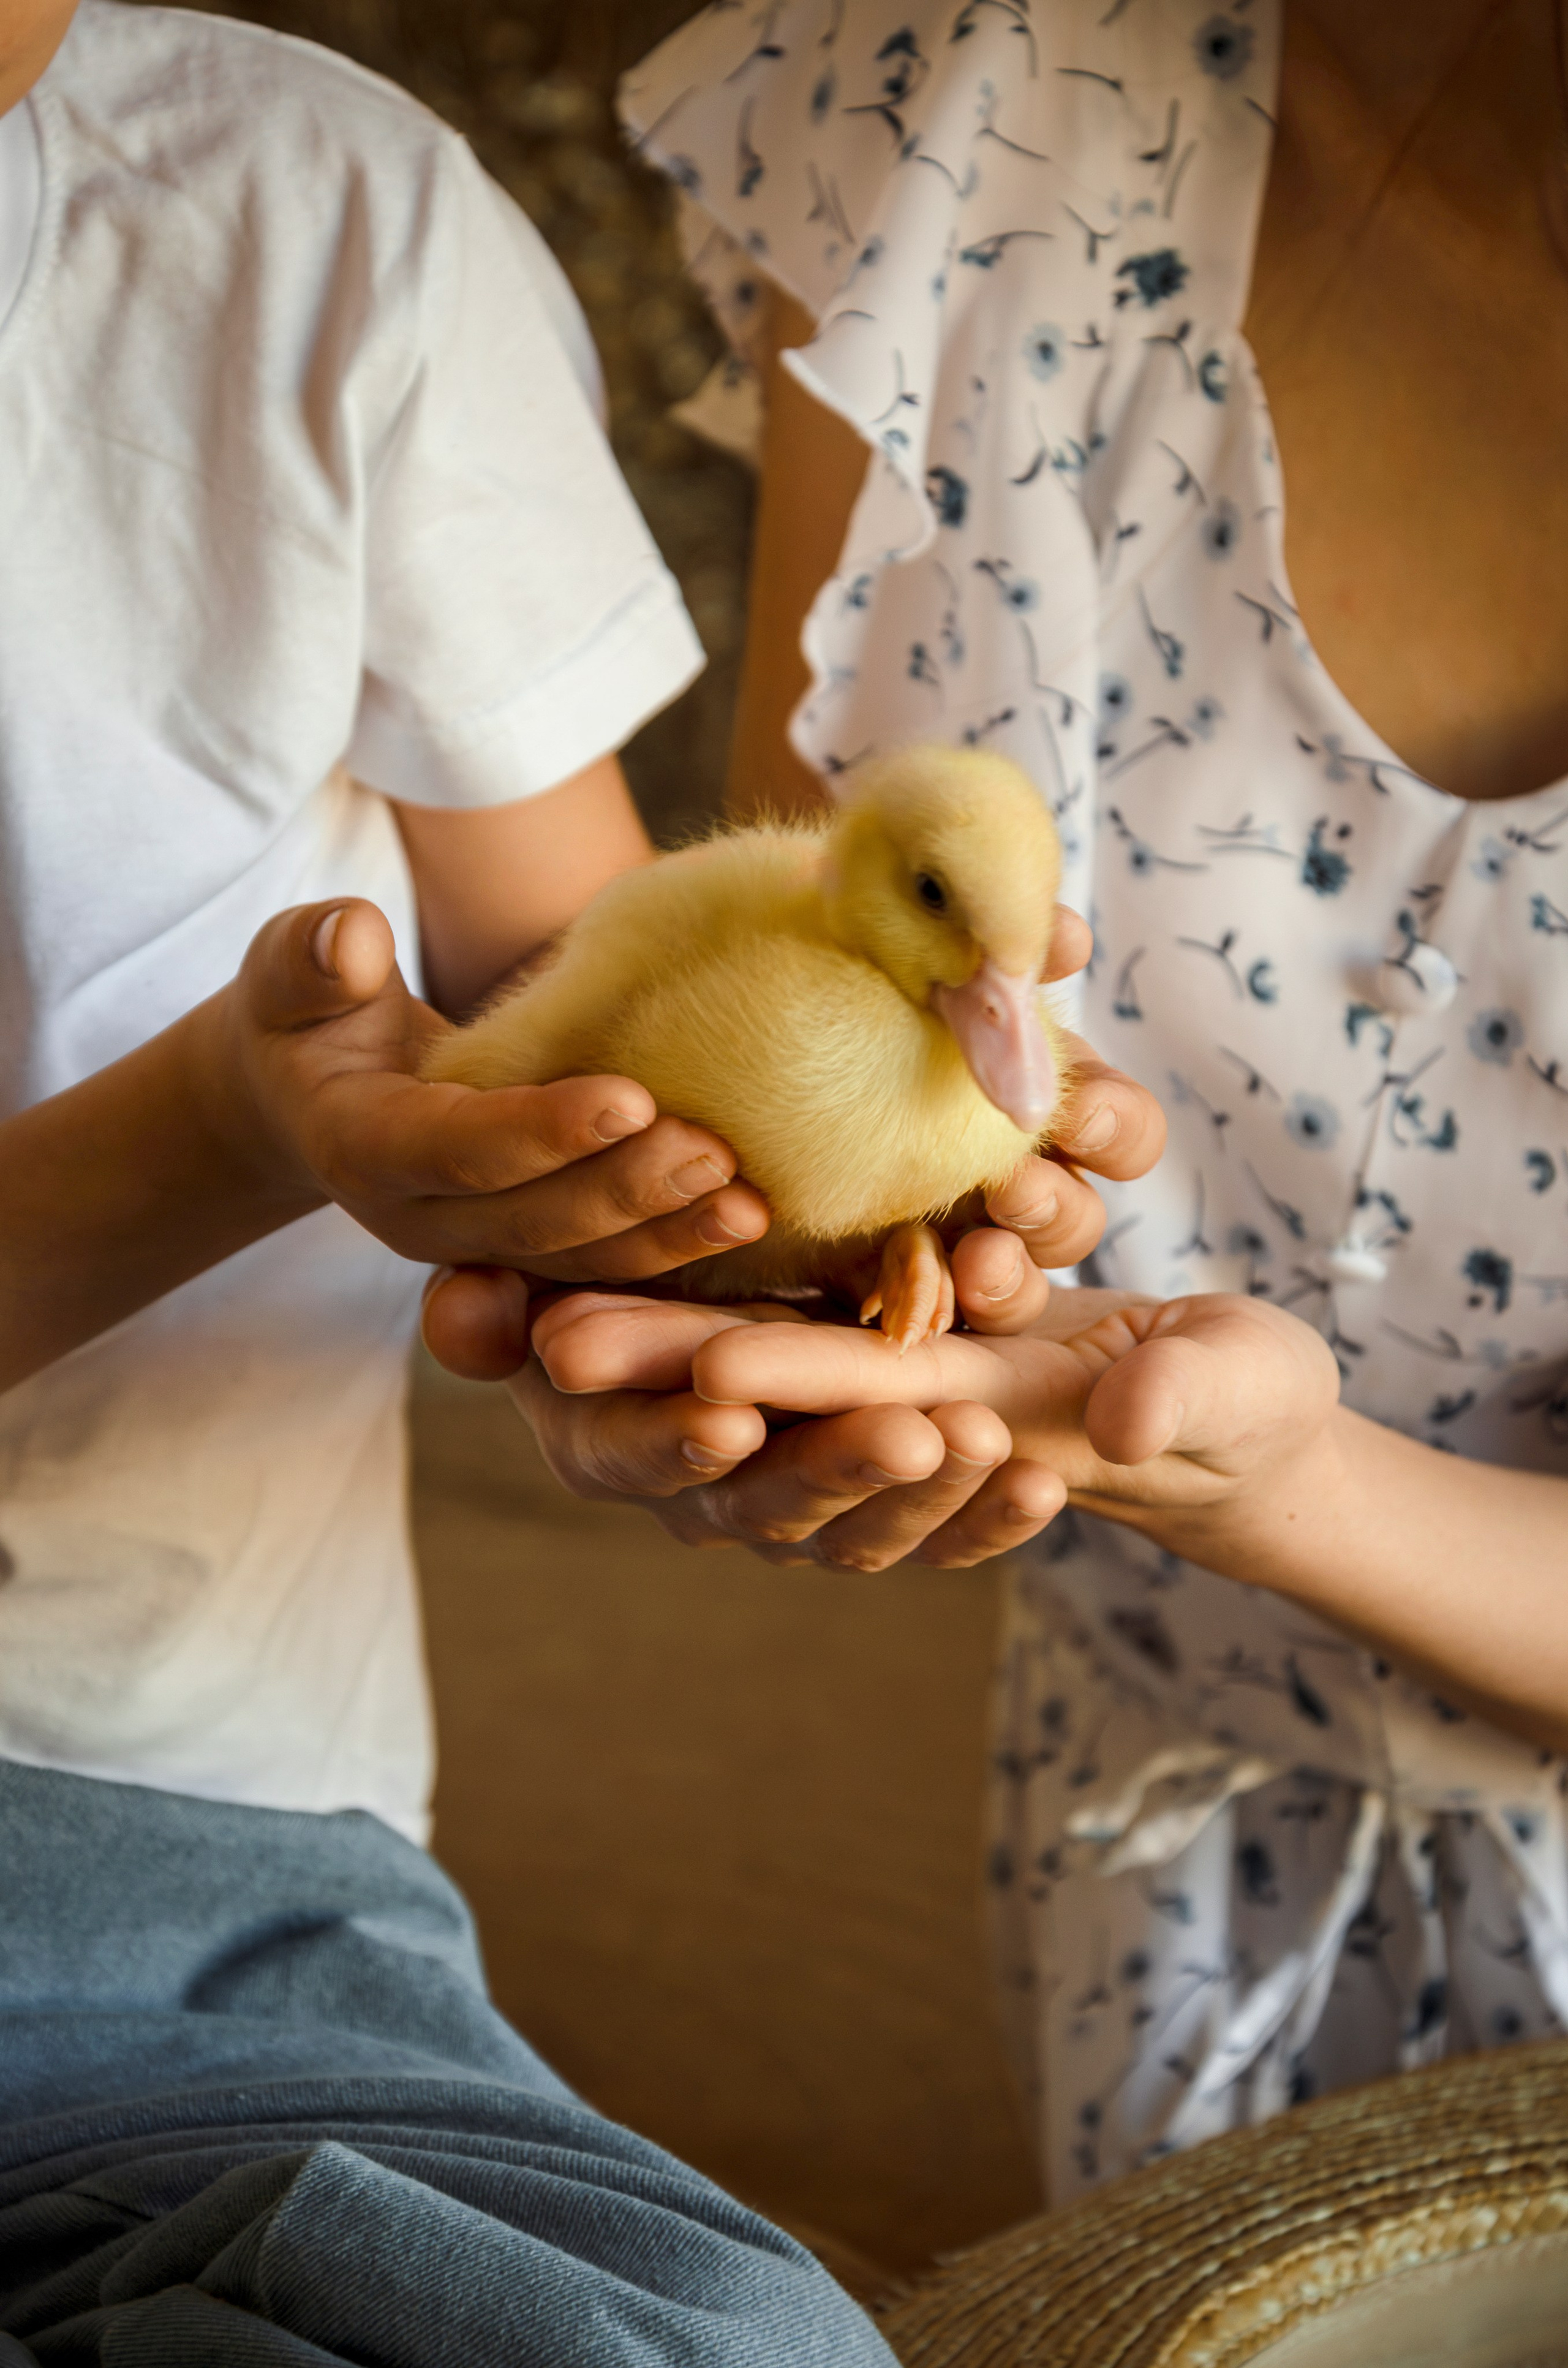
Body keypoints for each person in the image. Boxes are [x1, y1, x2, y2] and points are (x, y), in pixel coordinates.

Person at [0, 0, 1157, 2342]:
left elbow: (586, 994)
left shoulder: (327, 216)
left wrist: (838, 1266)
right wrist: (240, 1120)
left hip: (176, 1871)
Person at [469, 0, 1568, 2206]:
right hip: (1146, 1863)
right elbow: (779, 926)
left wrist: (1287, 1483)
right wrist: (739, 1270)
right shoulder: (941, 106)